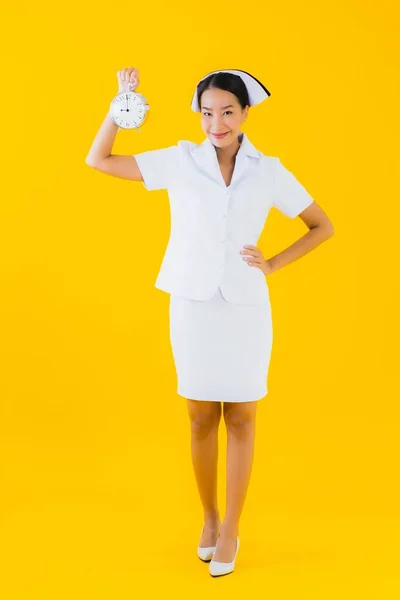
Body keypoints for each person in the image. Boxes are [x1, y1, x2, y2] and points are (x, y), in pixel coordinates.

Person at [85, 67, 334, 577]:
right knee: (200, 415)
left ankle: (233, 529)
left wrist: (273, 263)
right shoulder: (181, 161)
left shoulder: (268, 170)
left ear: (245, 114)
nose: (215, 123)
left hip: (246, 307)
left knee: (241, 416)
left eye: (226, 112)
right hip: (193, 304)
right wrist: (118, 110)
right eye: (206, 112)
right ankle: (209, 518)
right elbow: (99, 159)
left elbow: (321, 225)